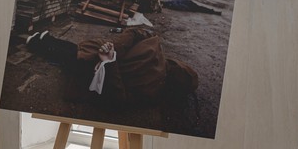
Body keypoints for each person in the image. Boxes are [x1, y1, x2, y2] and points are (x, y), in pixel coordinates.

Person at [26, 28, 198, 107]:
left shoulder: (155, 48)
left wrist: (111, 58)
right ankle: (45, 41)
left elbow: (119, 97)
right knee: (78, 54)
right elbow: (121, 98)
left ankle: (41, 43)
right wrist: (114, 52)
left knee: (77, 58)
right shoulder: (153, 89)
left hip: (97, 72)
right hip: (103, 59)